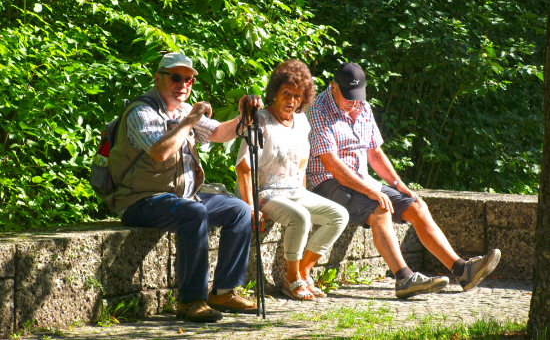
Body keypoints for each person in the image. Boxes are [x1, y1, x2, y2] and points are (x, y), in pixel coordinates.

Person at [307, 61, 501, 299]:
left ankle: (463, 270)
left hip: (361, 179)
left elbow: (375, 153)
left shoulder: (363, 106)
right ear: (333, 87)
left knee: (417, 205)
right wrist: (371, 192)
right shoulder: (318, 110)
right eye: (348, 96)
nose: (353, 102)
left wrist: (398, 184)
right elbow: (331, 164)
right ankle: (404, 278)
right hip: (327, 182)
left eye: (357, 96)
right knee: (380, 208)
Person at [108, 52, 262, 322]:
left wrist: (243, 117)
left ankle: (224, 292)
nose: (183, 84)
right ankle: (190, 300)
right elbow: (160, 152)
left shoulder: (182, 110)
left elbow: (217, 134)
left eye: (188, 79)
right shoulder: (141, 112)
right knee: (194, 213)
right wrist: (190, 119)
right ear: (157, 78)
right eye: (176, 77)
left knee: (238, 209)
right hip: (140, 200)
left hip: (182, 197)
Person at [235, 59, 349, 301]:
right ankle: (291, 279)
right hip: (264, 192)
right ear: (275, 92)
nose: (291, 100)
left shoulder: (302, 121)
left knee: (339, 215)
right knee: (300, 217)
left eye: (298, 96)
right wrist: (251, 208)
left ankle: (303, 272)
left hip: (294, 190)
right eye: (286, 93)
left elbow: (301, 166)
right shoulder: (260, 120)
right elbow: (244, 168)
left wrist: (305, 194)